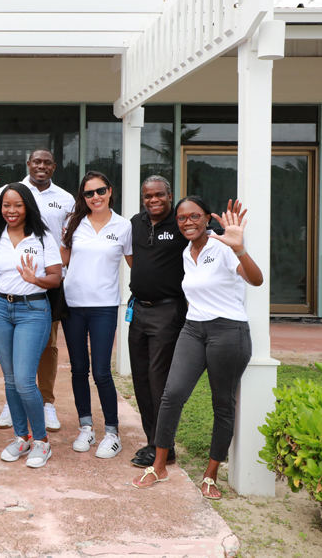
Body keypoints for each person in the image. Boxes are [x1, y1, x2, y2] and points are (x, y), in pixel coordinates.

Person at [132, 198, 263, 499]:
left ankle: (211, 474)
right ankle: (159, 465)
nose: (187, 222)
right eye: (181, 218)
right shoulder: (185, 253)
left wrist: (239, 248)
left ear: (207, 218)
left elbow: (256, 280)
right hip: (193, 328)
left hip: (228, 330)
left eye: (194, 216)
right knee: (172, 393)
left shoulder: (223, 247)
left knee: (222, 403)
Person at [0, 149, 74, 432]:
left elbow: (67, 242)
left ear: (54, 166)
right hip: (5, 301)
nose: (41, 166)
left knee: (46, 350)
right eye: (37, 161)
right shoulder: (3, 209)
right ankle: (16, 414)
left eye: (47, 162)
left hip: (42, 291)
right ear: (28, 164)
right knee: (13, 374)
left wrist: (36, 278)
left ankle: (45, 406)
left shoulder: (65, 199)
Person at [0, 183, 63, 468]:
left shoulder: (43, 238)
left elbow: (55, 278)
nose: (11, 210)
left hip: (34, 309)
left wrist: (35, 280)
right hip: (1, 308)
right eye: (6, 205)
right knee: (9, 379)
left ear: (27, 206)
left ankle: (41, 441)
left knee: (24, 380)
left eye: (17, 204)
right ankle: (22, 437)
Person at [60, 171, 132, 459]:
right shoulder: (73, 222)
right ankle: (86, 426)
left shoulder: (124, 226)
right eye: (89, 193)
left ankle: (112, 432)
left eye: (100, 191)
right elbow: (62, 262)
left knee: (102, 371)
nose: (95, 197)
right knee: (79, 368)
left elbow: (135, 263)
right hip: (72, 306)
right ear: (83, 197)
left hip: (104, 307)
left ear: (110, 191)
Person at [126, 175, 189, 468]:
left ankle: (163, 446)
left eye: (159, 195)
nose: (153, 200)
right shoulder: (136, 223)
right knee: (140, 379)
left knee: (158, 381)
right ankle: (154, 441)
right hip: (138, 310)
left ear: (170, 195)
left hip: (168, 312)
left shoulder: (180, 224)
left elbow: (206, 236)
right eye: (147, 196)